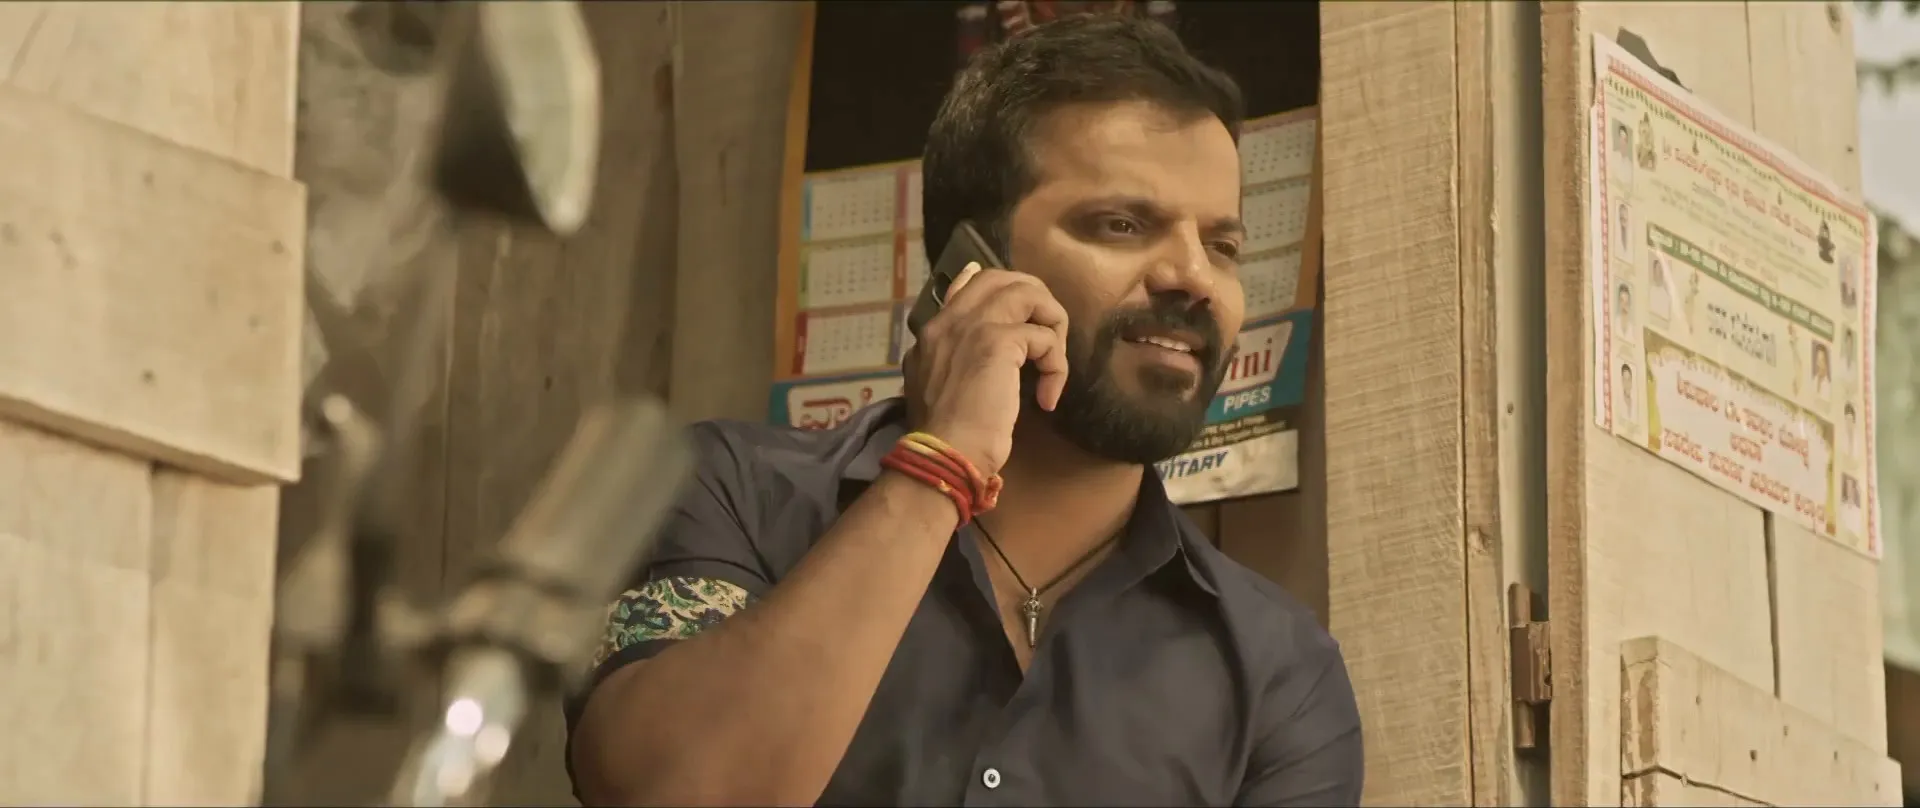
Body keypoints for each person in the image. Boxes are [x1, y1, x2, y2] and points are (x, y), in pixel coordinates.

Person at [566, 15, 1363, 808]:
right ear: (971, 266)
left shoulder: (1281, 678)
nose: (1194, 277)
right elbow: (668, 792)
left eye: (1223, 246)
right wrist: (939, 466)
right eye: (1122, 225)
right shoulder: (730, 494)